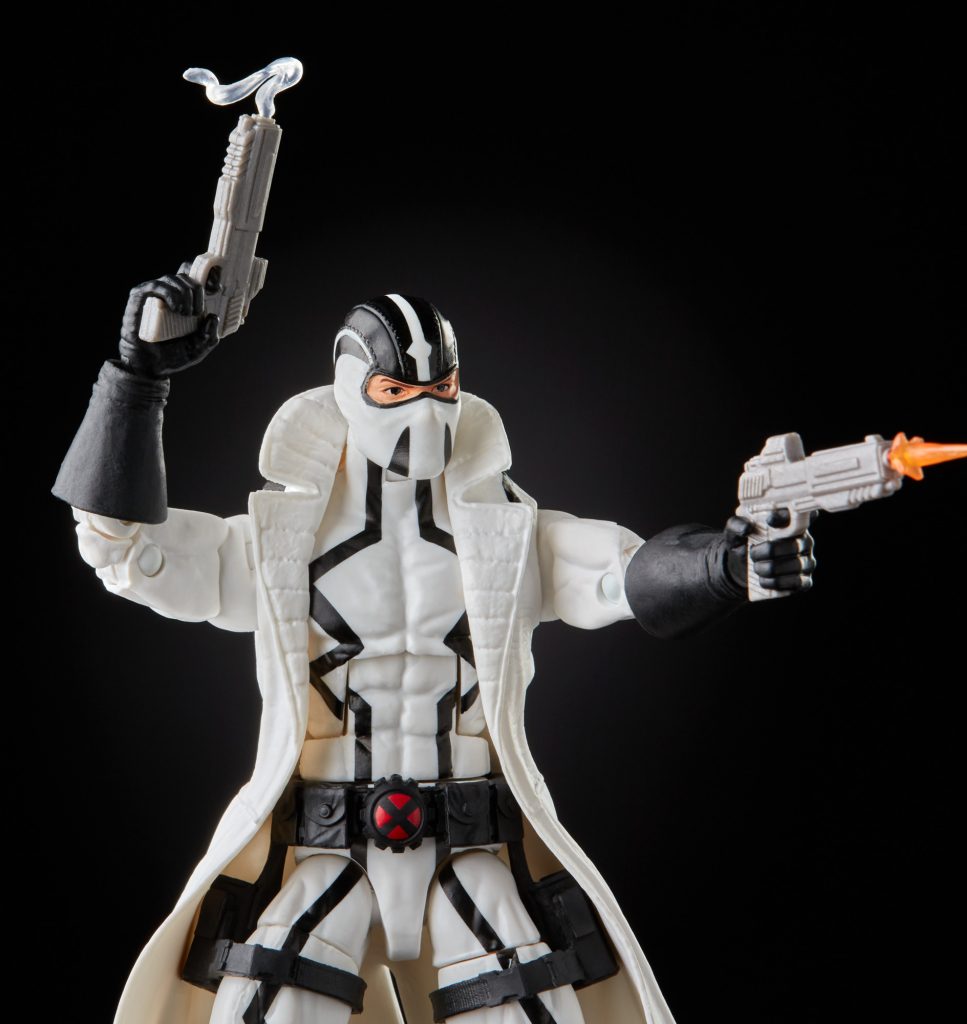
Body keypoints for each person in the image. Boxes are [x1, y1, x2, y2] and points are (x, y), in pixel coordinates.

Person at [53, 271, 814, 1024]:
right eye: (395, 391)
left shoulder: (504, 535)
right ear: (350, 389)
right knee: (272, 1003)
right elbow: (125, 551)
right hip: (326, 847)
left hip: (470, 847)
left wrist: (726, 565)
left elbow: (622, 575)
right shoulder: (278, 543)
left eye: (440, 389)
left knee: (529, 1006)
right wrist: (134, 383)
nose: (422, 411)